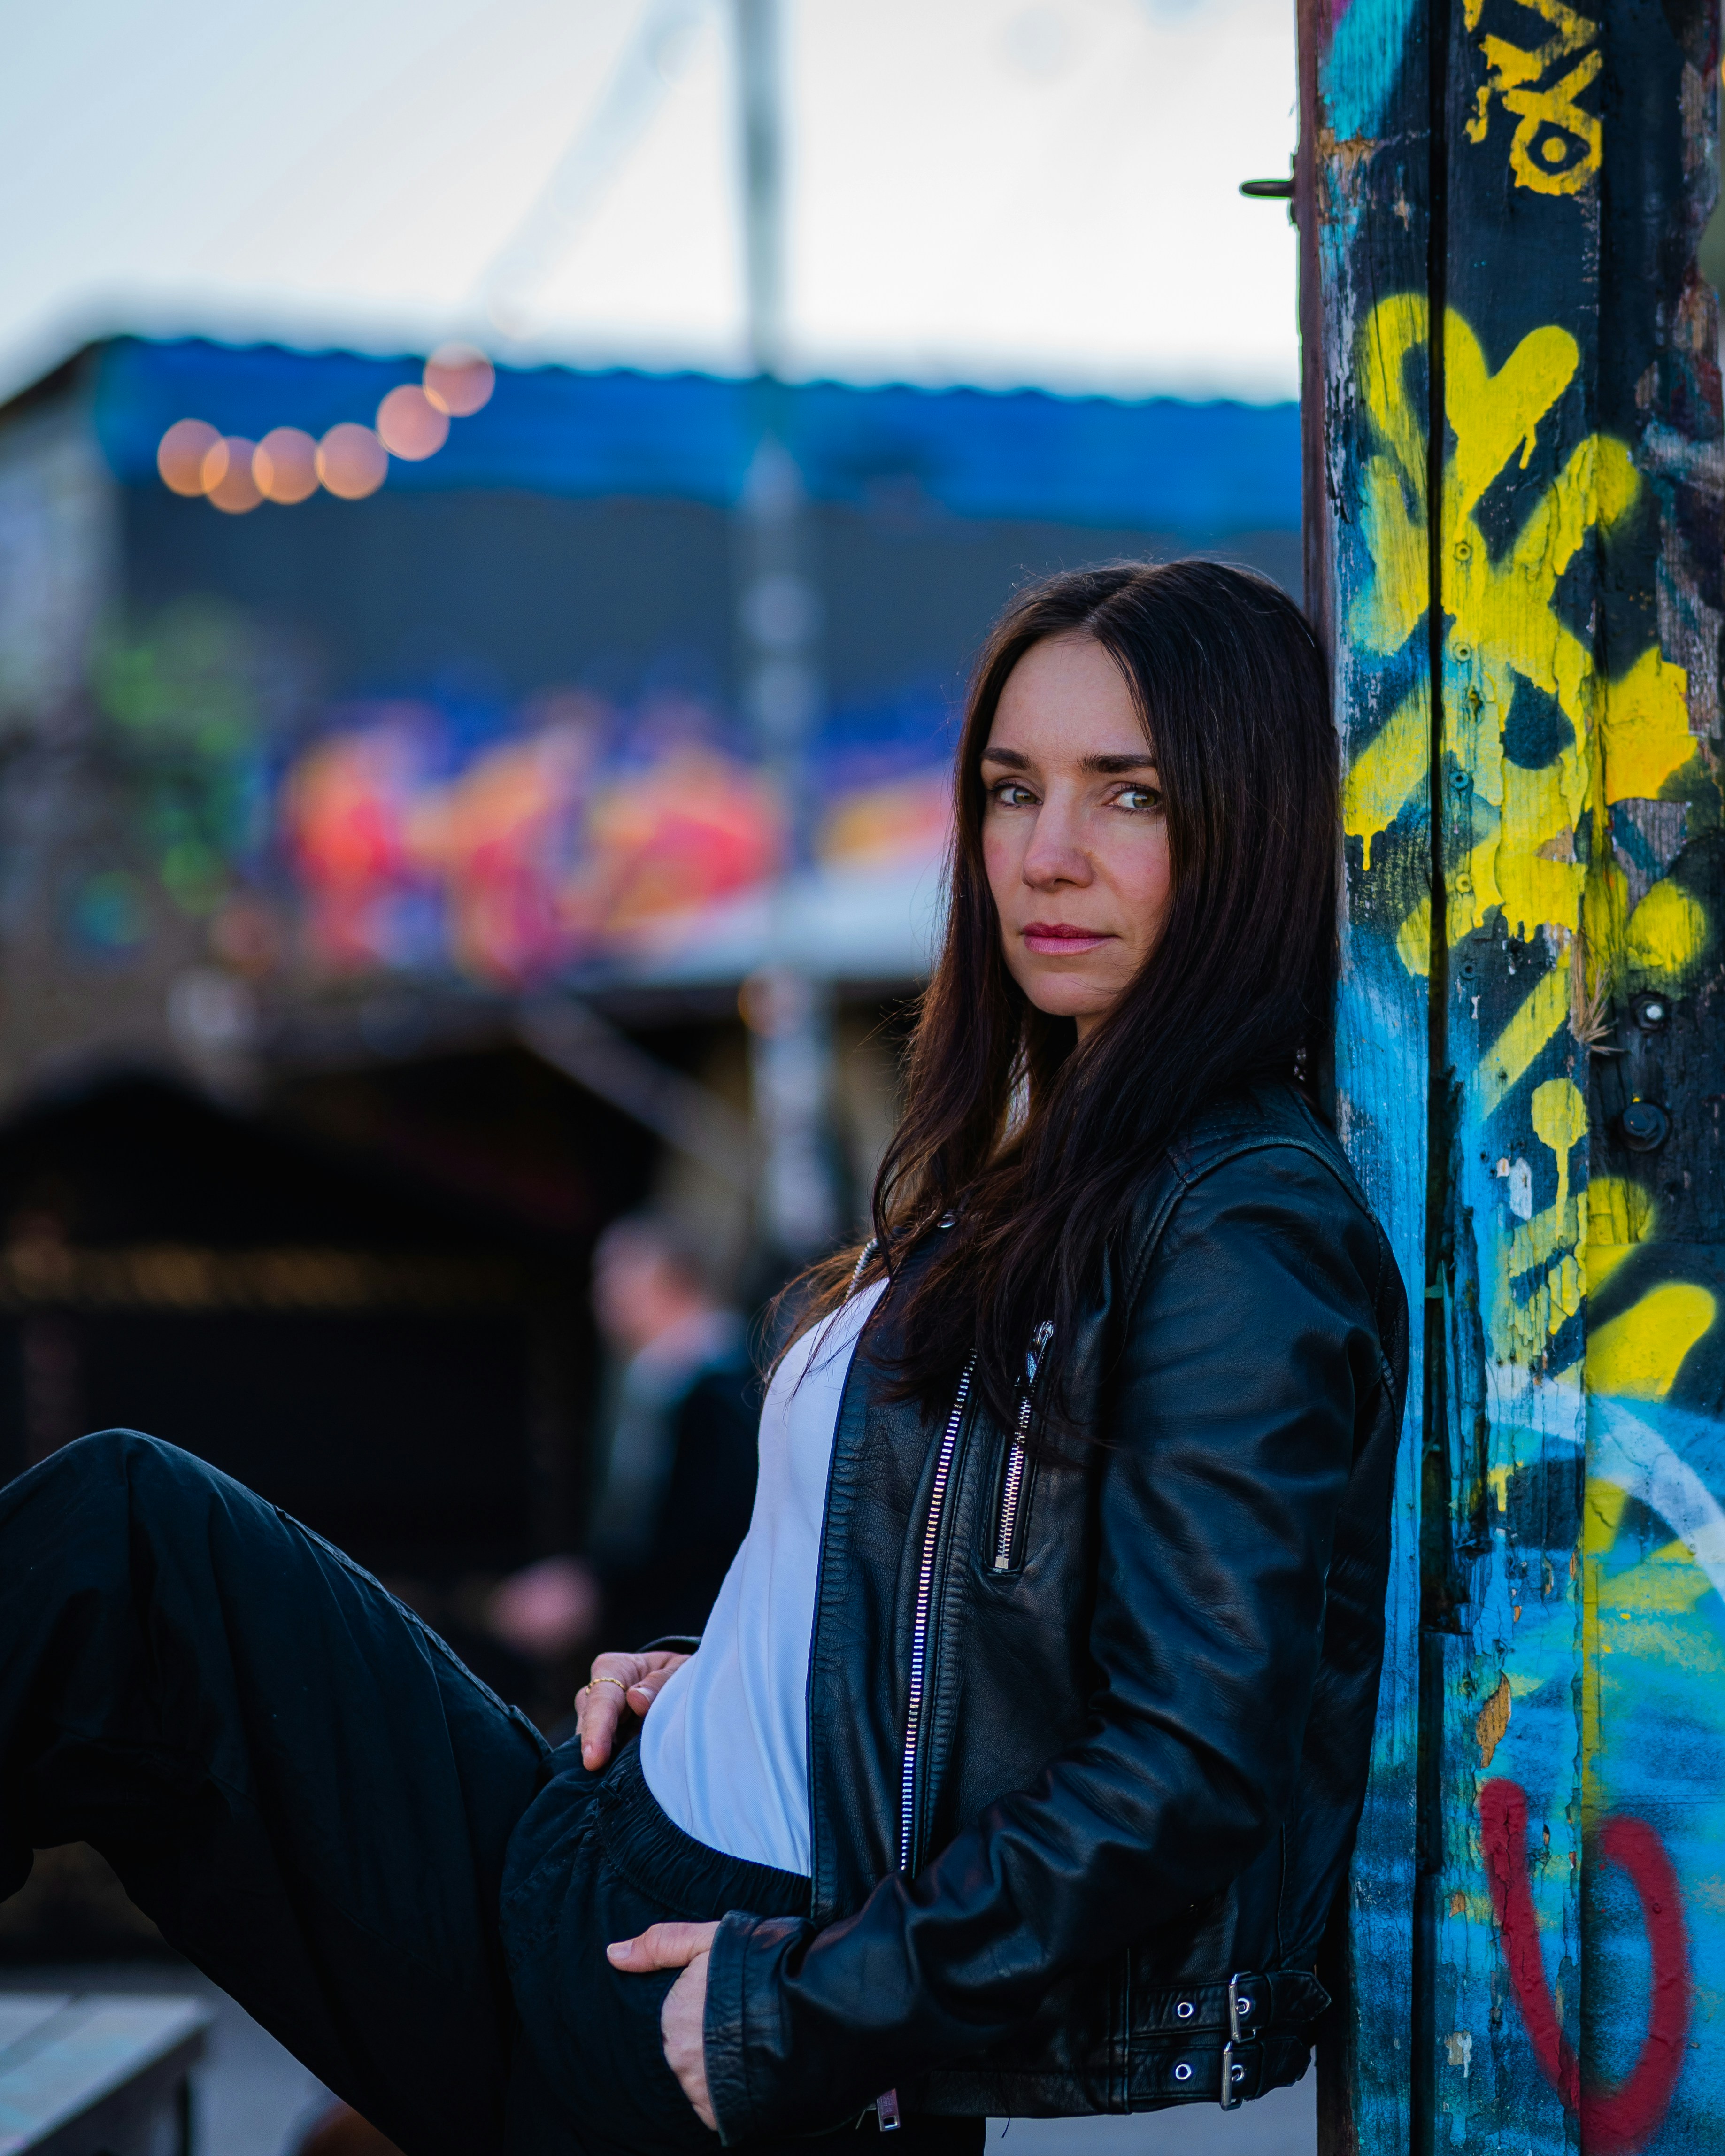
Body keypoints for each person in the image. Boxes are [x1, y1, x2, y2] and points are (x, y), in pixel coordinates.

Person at [0, 561, 1406, 2156]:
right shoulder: (1061, 1166)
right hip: (617, 1845)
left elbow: (1185, 1758)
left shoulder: (1240, 1223)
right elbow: (981, 1610)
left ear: (1249, 824)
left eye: (1129, 795)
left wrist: (799, 2011)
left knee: (115, 1563)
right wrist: (753, 1664)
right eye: (1011, 791)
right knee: (123, 1560)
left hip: (707, 1994)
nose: (1046, 855)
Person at [487, 1215, 757, 1676]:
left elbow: (707, 1533)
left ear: (668, 1279)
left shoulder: (723, 1389)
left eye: (613, 1273)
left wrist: (595, 1589)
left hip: (694, 1645)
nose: (600, 1292)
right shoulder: (666, 1380)